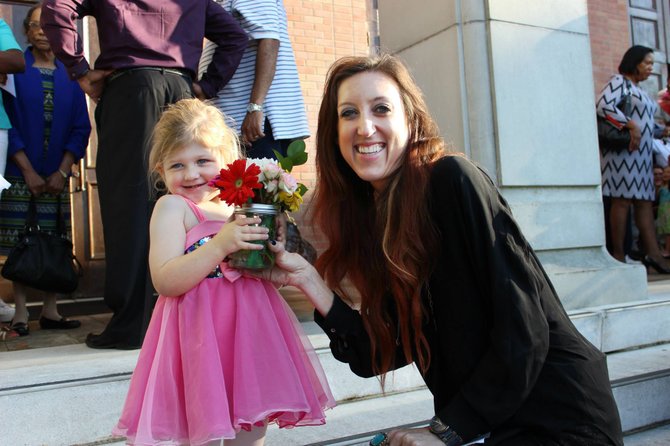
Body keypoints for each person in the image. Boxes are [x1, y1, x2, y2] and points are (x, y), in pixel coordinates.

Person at [252, 55, 624, 445]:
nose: (364, 127)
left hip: (560, 417)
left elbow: (525, 329)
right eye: (348, 113)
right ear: (335, 133)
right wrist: (306, 277)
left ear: (410, 120)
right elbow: (377, 352)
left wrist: (446, 431)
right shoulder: (376, 224)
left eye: (381, 108)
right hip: (493, 425)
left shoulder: (452, 180)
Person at [112, 98, 334, 445]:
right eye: (177, 165)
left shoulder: (237, 207)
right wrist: (219, 246)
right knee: (201, 423)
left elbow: (254, 269)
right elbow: (166, 280)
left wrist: (267, 246)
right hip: (200, 335)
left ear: (227, 162)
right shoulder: (173, 207)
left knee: (251, 423)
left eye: (203, 161)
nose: (191, 174)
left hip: (248, 332)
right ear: (161, 171)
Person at [40, 0, 248, 349]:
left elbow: (56, 8)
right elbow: (235, 36)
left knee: (130, 205)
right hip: (181, 92)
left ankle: (132, 326)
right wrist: (206, 86)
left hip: (132, 92)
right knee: (186, 204)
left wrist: (79, 69)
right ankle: (182, 319)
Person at [0, 3, 89, 337]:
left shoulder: (71, 70)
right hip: (20, 171)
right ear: (26, 31)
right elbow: (9, 121)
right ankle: (21, 312)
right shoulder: (14, 67)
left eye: (46, 25)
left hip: (56, 174)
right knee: (22, 242)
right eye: (34, 25)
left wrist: (63, 170)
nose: (40, 31)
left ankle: (51, 310)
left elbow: (82, 126)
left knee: (55, 240)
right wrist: (27, 170)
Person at [202, 0, 310, 159]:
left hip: (253, 124)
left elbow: (269, 40)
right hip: (243, 122)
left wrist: (255, 107)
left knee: (258, 182)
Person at [597, 45, 670, 273]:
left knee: (644, 204)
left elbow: (644, 122)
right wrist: (629, 124)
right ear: (634, 61)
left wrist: (660, 131)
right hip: (624, 155)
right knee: (622, 200)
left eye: (652, 64)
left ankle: (655, 255)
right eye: (646, 63)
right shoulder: (619, 81)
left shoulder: (639, 89)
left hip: (641, 157)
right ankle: (618, 255)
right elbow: (603, 105)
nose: (650, 68)